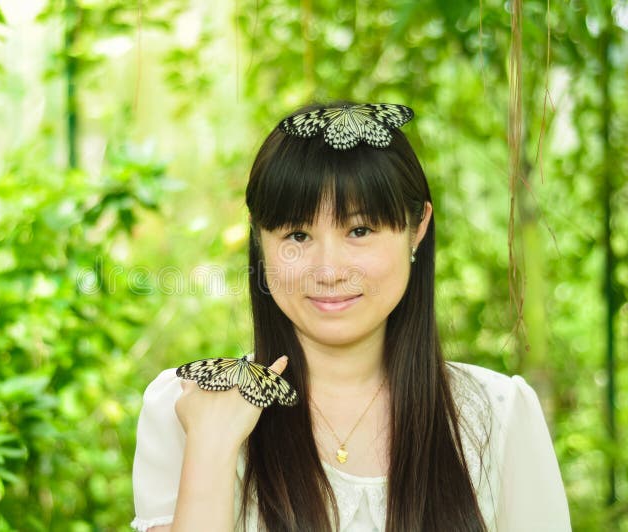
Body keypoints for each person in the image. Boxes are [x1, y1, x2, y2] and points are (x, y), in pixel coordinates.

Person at [130, 101, 571, 531]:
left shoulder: (498, 416)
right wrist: (210, 449)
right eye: (297, 235)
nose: (329, 271)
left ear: (417, 229)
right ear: (259, 241)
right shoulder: (187, 406)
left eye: (359, 230)